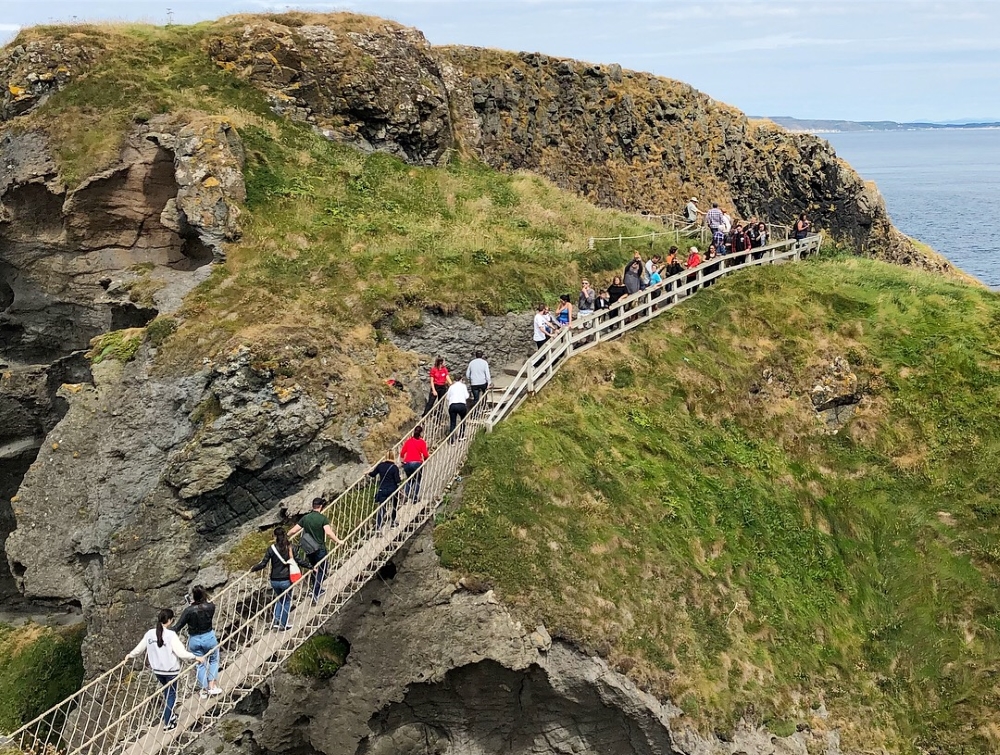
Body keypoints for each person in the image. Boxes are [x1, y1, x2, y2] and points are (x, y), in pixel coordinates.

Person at [127, 609, 204, 731]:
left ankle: (170, 715)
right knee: (171, 695)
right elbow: (181, 653)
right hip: (171, 671)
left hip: (158, 671)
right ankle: (168, 723)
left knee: (167, 693)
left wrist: (129, 655)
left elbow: (139, 649)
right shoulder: (170, 635)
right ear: (170, 621)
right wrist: (195, 657)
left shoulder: (149, 634)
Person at [287, 498, 342, 603]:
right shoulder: (322, 519)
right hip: (320, 549)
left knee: (314, 569)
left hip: (309, 550)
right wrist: (338, 541)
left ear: (313, 506)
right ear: (321, 506)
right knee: (322, 569)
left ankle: (315, 589)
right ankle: (316, 593)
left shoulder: (305, 518)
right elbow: (329, 533)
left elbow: (294, 530)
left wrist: (285, 538)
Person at [170, 586, 221, 699]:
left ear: (193, 597)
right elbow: (205, 607)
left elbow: (177, 627)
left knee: (200, 664)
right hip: (209, 637)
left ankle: (204, 690)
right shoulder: (210, 606)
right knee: (213, 660)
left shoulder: (189, 611)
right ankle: (212, 687)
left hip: (194, 640)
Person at [250, 527, 296, 630]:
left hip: (274, 580)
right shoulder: (289, 546)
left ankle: (276, 621)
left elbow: (263, 564)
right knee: (287, 601)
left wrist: (253, 568)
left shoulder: (271, 549)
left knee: (280, 599)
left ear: (275, 536)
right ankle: (283, 624)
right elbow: (295, 560)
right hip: (286, 579)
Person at [368, 452, 402, 528]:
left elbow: (373, 474)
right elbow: (397, 480)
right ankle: (393, 522)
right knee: (394, 506)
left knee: (382, 507)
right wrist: (400, 480)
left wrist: (367, 473)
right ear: (393, 457)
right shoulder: (394, 467)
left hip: (382, 489)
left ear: (385, 457)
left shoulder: (380, 466)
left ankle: (378, 526)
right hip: (392, 490)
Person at [400, 425, 430, 501]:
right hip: (417, 463)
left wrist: (402, 461)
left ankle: (406, 495)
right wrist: (426, 460)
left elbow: (402, 453)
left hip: (407, 463)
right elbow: (426, 454)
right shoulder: (422, 442)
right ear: (421, 433)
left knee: (409, 479)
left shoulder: (408, 441)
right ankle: (414, 498)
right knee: (417, 480)